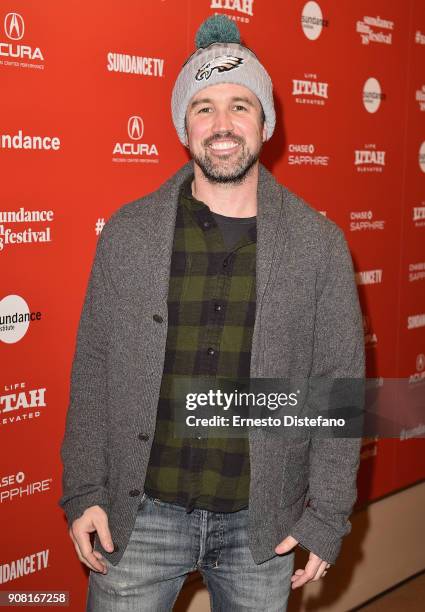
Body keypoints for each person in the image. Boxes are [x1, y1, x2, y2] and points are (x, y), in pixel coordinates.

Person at [59, 15, 364, 612]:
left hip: (262, 527)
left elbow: (338, 388)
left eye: (239, 105)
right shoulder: (128, 234)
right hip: (137, 518)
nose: (222, 125)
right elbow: (94, 368)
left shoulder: (318, 244)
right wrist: (84, 490)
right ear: (183, 125)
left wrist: (326, 514)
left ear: (265, 121)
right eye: (203, 107)